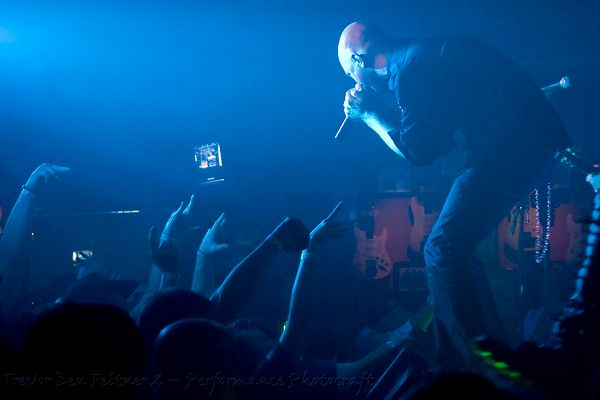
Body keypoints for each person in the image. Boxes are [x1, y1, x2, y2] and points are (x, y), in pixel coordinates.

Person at [338, 22, 571, 364]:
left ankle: (476, 364)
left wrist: (369, 115)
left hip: (513, 145)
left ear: (360, 60)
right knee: (453, 251)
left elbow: (418, 152)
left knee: (441, 248)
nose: (354, 82)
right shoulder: (417, 58)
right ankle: (490, 352)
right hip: (525, 141)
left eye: (350, 73)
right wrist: (379, 110)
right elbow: (433, 138)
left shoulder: (410, 69)